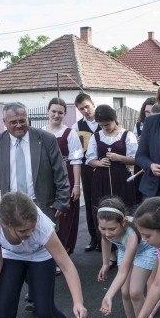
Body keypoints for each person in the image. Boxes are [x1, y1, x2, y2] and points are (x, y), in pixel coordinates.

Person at [0, 101, 70, 310]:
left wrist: (62, 201)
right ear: (4, 122)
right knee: (17, 249)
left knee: (41, 250)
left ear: (28, 119)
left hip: (41, 205)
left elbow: (60, 172)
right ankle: (33, 290)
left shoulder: (46, 139)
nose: (19, 125)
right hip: (11, 209)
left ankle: (40, 296)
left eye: (23, 120)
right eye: (13, 122)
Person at [97, 197, 159, 318]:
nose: (107, 233)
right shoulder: (106, 229)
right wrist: (105, 263)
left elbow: (123, 272)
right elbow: (105, 240)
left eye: (112, 229)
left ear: (123, 222)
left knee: (135, 292)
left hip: (145, 250)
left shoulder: (131, 235)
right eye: (103, 228)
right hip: (124, 249)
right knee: (125, 292)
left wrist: (108, 295)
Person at [85, 104, 138, 249]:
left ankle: (128, 245)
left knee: (124, 210)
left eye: (107, 124)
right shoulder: (96, 137)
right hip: (100, 180)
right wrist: (99, 162)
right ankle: (110, 252)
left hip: (122, 179)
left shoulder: (127, 135)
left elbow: (135, 159)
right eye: (101, 126)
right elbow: (89, 160)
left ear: (114, 119)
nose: (105, 128)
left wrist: (118, 157)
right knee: (103, 212)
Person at [42, 98, 83, 255]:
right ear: (48, 111)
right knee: (46, 215)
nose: (56, 115)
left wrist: (76, 185)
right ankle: (47, 253)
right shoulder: (40, 132)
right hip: (45, 179)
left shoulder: (70, 133)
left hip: (66, 177)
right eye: (53, 111)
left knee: (65, 216)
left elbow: (76, 159)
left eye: (60, 112)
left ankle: (63, 253)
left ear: (65, 114)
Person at [72, 93, 101, 252]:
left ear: (93, 104)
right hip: (86, 168)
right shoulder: (76, 127)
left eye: (87, 106)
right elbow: (76, 151)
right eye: (81, 109)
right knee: (90, 202)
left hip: (105, 166)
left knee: (104, 199)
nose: (85, 110)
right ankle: (93, 238)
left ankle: (107, 237)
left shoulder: (104, 120)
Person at [132, 96, 157, 203]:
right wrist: (139, 141)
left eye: (151, 112)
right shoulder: (139, 125)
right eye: (147, 112)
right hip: (142, 162)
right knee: (139, 190)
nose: (149, 115)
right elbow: (134, 147)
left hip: (155, 162)